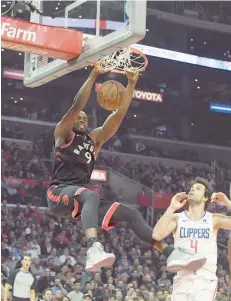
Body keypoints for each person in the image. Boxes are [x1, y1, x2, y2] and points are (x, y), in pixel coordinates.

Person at [46, 65, 203, 273]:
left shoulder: (94, 141)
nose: (82, 120)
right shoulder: (63, 133)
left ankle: (170, 252)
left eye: (85, 119)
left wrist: (132, 83)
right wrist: (94, 74)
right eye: (79, 118)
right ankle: (93, 249)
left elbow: (118, 117)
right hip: (58, 193)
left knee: (131, 213)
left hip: (80, 201)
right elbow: (76, 105)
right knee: (90, 195)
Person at [152, 178, 231, 301]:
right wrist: (172, 207)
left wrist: (228, 203)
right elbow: (157, 235)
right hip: (182, 279)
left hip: (205, 280)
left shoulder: (214, 219)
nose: (192, 190)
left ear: (206, 197)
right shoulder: (177, 218)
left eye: (197, 188)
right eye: (191, 187)